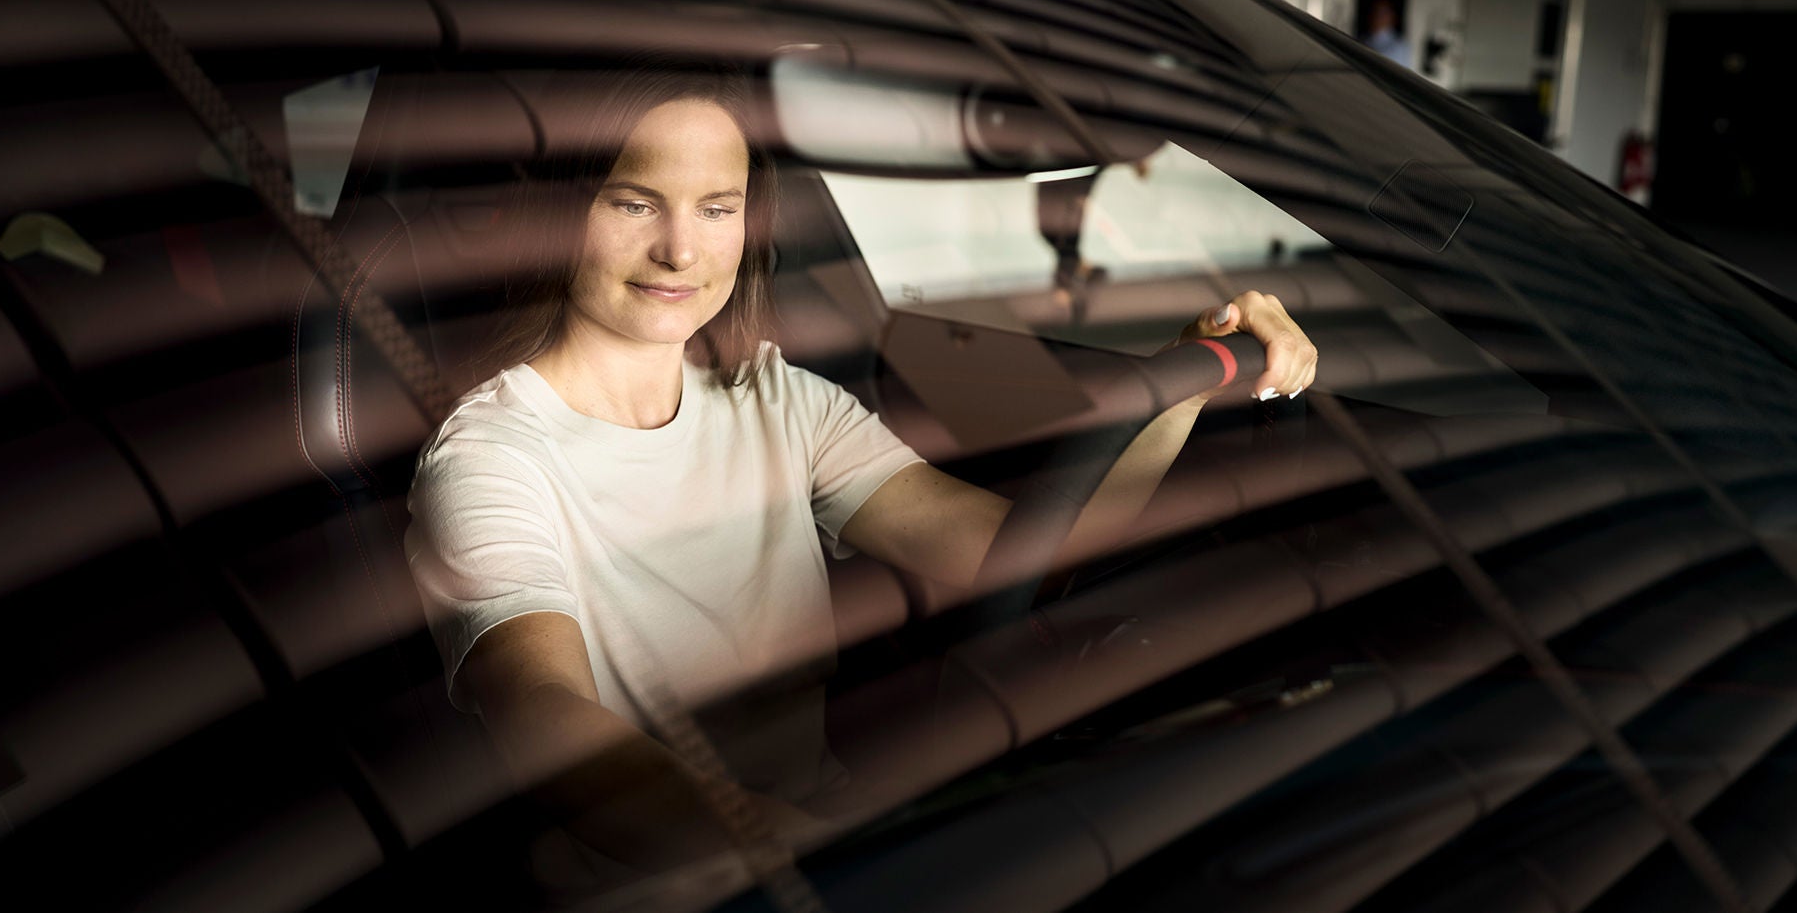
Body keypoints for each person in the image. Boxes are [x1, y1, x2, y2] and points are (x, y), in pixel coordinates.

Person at [402, 61, 1318, 897]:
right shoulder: (491, 456)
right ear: (568, 212)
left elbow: (1026, 553)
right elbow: (542, 714)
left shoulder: (780, 401)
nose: (682, 250)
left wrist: (1184, 382)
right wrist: (795, 844)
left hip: (844, 843)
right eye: (635, 204)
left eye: (717, 208)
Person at [1365, 0, 1414, 68]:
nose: (1379, 17)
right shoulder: (1363, 40)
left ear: (1392, 16)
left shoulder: (1400, 46)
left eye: (1383, 13)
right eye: (1376, 12)